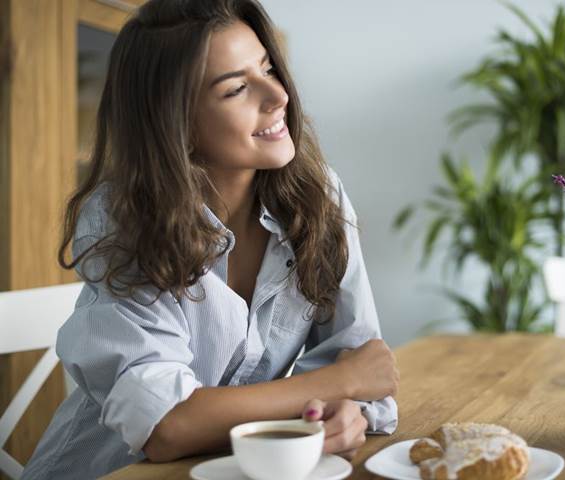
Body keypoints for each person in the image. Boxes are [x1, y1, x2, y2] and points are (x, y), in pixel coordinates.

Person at [22, 0, 399, 478]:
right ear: (174, 122)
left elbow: (367, 372)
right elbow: (166, 427)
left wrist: (346, 412)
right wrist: (334, 385)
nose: (277, 95)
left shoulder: (317, 196)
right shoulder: (121, 217)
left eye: (268, 68)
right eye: (237, 88)